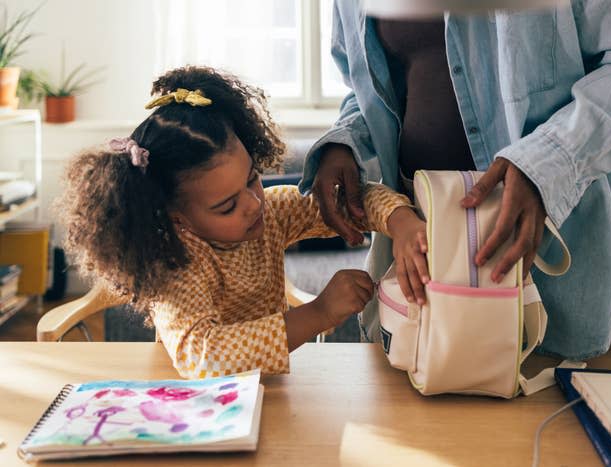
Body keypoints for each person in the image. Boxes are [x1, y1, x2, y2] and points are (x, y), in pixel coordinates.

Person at [300, 1, 611, 359]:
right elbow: (369, 89)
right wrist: (346, 142)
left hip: (558, 261)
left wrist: (546, 161)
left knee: (568, 438)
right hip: (427, 266)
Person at [57, 66, 428, 379]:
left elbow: (352, 200)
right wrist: (318, 313)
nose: (253, 204)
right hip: (195, 408)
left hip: (267, 394)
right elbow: (204, 355)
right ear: (177, 218)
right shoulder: (176, 266)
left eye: (252, 179)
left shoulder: (270, 211)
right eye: (226, 206)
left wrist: (399, 220)